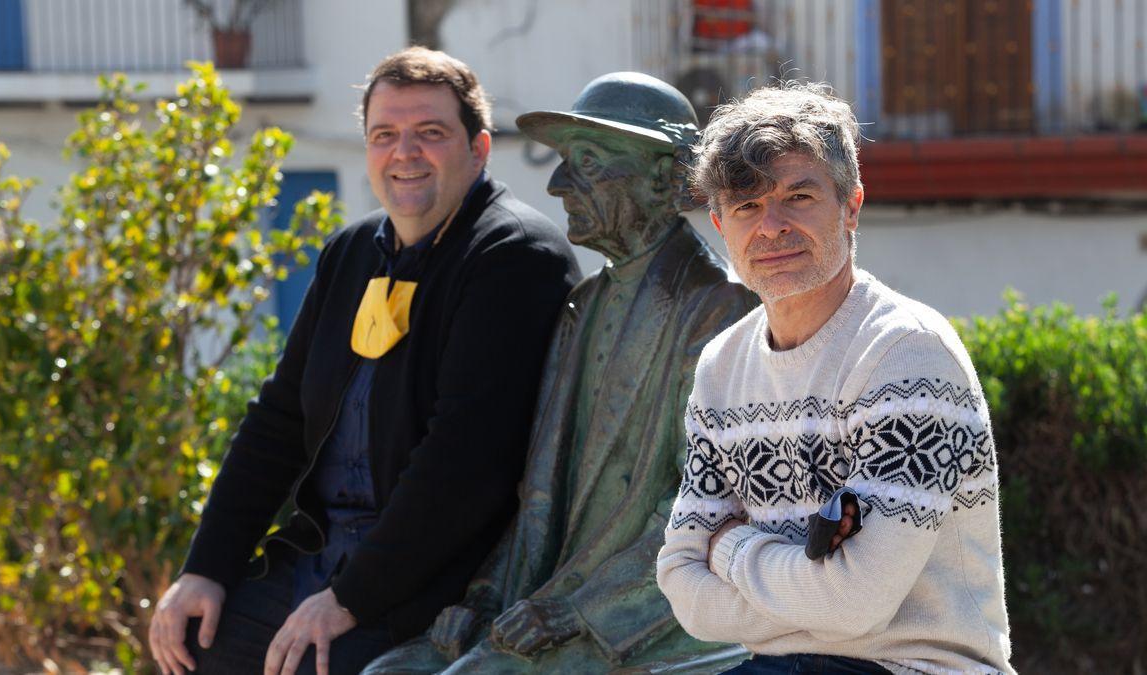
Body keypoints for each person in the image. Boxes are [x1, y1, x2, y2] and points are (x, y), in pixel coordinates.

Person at [147, 47, 580, 675]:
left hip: (434, 584)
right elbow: (278, 420)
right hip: (317, 557)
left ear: (479, 148)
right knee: (194, 643)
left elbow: (463, 463)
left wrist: (350, 599)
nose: (404, 152)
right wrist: (204, 569)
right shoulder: (352, 252)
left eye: (430, 133)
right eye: (385, 135)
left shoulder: (514, 255)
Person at [363, 72, 756, 674]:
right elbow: (539, 492)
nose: (558, 184)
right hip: (547, 599)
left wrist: (578, 611)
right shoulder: (583, 304)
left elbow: (708, 504)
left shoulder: (718, 307)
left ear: (662, 177)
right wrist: (487, 595)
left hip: (639, 617)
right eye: (565, 162)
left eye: (590, 163)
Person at [656, 82, 1015, 674]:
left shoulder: (906, 354)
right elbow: (683, 588)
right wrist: (812, 589)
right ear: (720, 224)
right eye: (746, 206)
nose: (770, 226)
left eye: (798, 196)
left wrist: (731, 546)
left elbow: (855, 603)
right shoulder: (722, 367)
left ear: (851, 205)